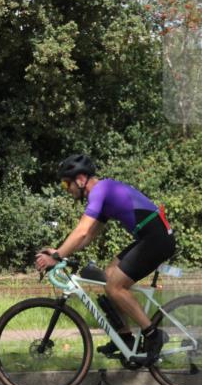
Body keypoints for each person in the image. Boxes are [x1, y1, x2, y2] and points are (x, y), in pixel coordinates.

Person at [34, 154, 176, 364]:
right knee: (108, 276)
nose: (67, 189)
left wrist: (57, 256)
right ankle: (125, 338)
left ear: (81, 179)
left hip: (156, 239)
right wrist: (60, 251)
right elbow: (88, 236)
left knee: (115, 287)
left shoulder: (100, 190)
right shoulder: (103, 193)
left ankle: (153, 336)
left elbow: (82, 231)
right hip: (151, 237)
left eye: (67, 183)